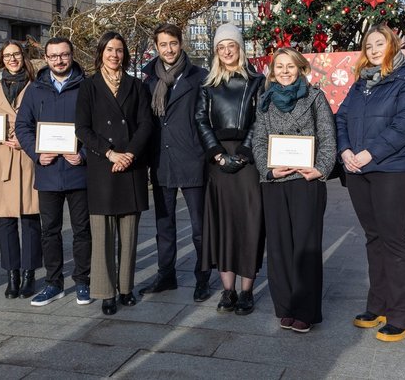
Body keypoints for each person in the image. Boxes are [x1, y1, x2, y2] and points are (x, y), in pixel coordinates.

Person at [336, 25, 405, 342]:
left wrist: (369, 153)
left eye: (379, 43)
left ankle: (403, 317)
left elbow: (404, 127)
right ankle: (379, 305)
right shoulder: (361, 84)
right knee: (373, 238)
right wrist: (345, 150)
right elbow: (341, 118)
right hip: (359, 171)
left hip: (394, 172)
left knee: (393, 240)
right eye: (368, 45)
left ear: (392, 45)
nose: (373, 49)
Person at [252, 47, 336, 334]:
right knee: (279, 248)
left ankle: (306, 310)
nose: (285, 71)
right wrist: (268, 169)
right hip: (275, 181)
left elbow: (328, 137)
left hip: (306, 181)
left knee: (306, 247)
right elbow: (259, 141)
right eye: (279, 67)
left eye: (290, 66)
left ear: (300, 68)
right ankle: (285, 305)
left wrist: (321, 168)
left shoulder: (315, 98)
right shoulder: (265, 102)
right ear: (272, 72)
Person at [75, 31, 152, 316]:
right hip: (102, 166)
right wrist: (109, 153)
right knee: (103, 235)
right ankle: (106, 292)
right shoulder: (89, 87)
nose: (114, 55)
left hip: (130, 165)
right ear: (101, 53)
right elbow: (82, 128)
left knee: (129, 234)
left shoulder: (136, 85)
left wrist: (129, 153)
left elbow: (146, 123)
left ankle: (126, 288)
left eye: (119, 50)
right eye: (109, 50)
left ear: (125, 54)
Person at [15, 36, 93, 307]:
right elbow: (22, 126)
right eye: (53, 56)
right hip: (47, 173)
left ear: (72, 55)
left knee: (82, 230)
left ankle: (83, 281)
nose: (59, 60)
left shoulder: (87, 86)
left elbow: (96, 129)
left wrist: (82, 154)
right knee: (50, 231)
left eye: (64, 55)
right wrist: (36, 153)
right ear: (45, 59)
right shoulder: (35, 90)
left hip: (78, 172)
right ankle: (53, 283)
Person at [194, 23, 265, 316]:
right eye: (220, 47)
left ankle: (247, 292)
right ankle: (228, 290)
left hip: (247, 161)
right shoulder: (208, 86)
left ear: (240, 48)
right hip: (219, 162)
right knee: (223, 224)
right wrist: (218, 155)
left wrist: (245, 154)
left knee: (250, 223)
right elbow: (201, 120)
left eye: (230, 46)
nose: (226, 52)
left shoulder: (257, 81)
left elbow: (260, 119)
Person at [138, 23, 212, 302]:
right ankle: (165, 274)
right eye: (163, 45)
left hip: (192, 159)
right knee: (164, 225)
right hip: (161, 160)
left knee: (199, 227)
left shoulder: (199, 76)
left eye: (173, 43)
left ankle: (202, 277)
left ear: (181, 44)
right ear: (156, 47)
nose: (168, 49)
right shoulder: (149, 79)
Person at [0, 41, 41, 300]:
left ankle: (29, 275)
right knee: (5, 221)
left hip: (27, 156)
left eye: (16, 54)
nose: (13, 59)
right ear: (1, 61)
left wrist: (28, 139)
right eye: (7, 56)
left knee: (29, 218)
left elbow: (44, 119)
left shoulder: (36, 84)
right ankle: (11, 275)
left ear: (23, 57)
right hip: (0, 158)